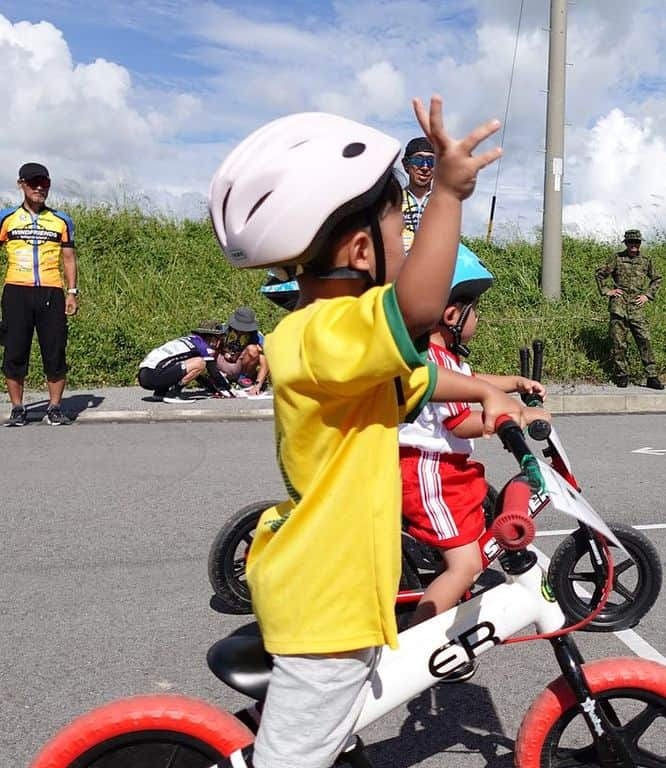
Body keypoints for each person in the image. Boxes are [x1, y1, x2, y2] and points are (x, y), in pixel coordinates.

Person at [208, 99, 521, 768]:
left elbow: (424, 381)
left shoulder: (344, 348)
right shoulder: (322, 333)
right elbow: (417, 311)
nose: (408, 244)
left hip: (338, 591)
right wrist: (448, 193)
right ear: (359, 250)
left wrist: (492, 394)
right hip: (327, 605)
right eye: (397, 230)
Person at [398, 244, 548, 681]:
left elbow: (474, 382)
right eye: (475, 310)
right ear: (452, 316)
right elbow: (462, 421)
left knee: (472, 546)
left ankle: (444, 618)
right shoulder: (431, 357)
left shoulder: (438, 355)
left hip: (446, 471)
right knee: (465, 564)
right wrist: (510, 418)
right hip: (429, 471)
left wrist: (516, 385)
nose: (478, 319)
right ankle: (415, 646)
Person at [1, 162, 78, 426]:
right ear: (21, 183)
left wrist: (72, 293)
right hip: (16, 292)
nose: (38, 188)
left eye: (43, 183)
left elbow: (69, 259)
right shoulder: (6, 218)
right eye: (33, 182)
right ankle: (18, 408)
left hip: (51, 292)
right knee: (14, 352)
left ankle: (55, 408)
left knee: (55, 351)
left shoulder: (61, 220)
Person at [595, 228, 663, 389]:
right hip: (619, 306)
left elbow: (657, 278)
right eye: (631, 242)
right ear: (626, 243)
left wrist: (647, 295)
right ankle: (622, 375)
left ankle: (652, 376)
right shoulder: (617, 259)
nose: (634, 246)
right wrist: (607, 291)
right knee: (619, 343)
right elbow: (600, 274)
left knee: (645, 340)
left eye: (637, 243)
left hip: (636, 306)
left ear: (640, 244)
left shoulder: (646, 260)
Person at [136, 323, 231, 402]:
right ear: (213, 340)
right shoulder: (202, 346)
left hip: (144, 374)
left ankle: (161, 393)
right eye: (220, 338)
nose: (221, 342)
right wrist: (229, 390)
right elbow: (214, 372)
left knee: (180, 363)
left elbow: (194, 373)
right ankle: (173, 394)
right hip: (153, 375)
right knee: (201, 362)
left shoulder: (190, 340)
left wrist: (211, 389)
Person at [216, 305, 269, 395]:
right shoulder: (224, 329)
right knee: (211, 346)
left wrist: (258, 385)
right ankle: (217, 378)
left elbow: (265, 361)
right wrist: (223, 351)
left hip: (241, 365)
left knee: (253, 349)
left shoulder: (256, 335)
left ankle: (243, 378)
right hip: (223, 364)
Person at [400, 135, 435, 253]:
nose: (425, 167)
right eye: (418, 160)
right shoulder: (392, 201)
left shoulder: (443, 203)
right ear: (406, 164)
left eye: (431, 161)